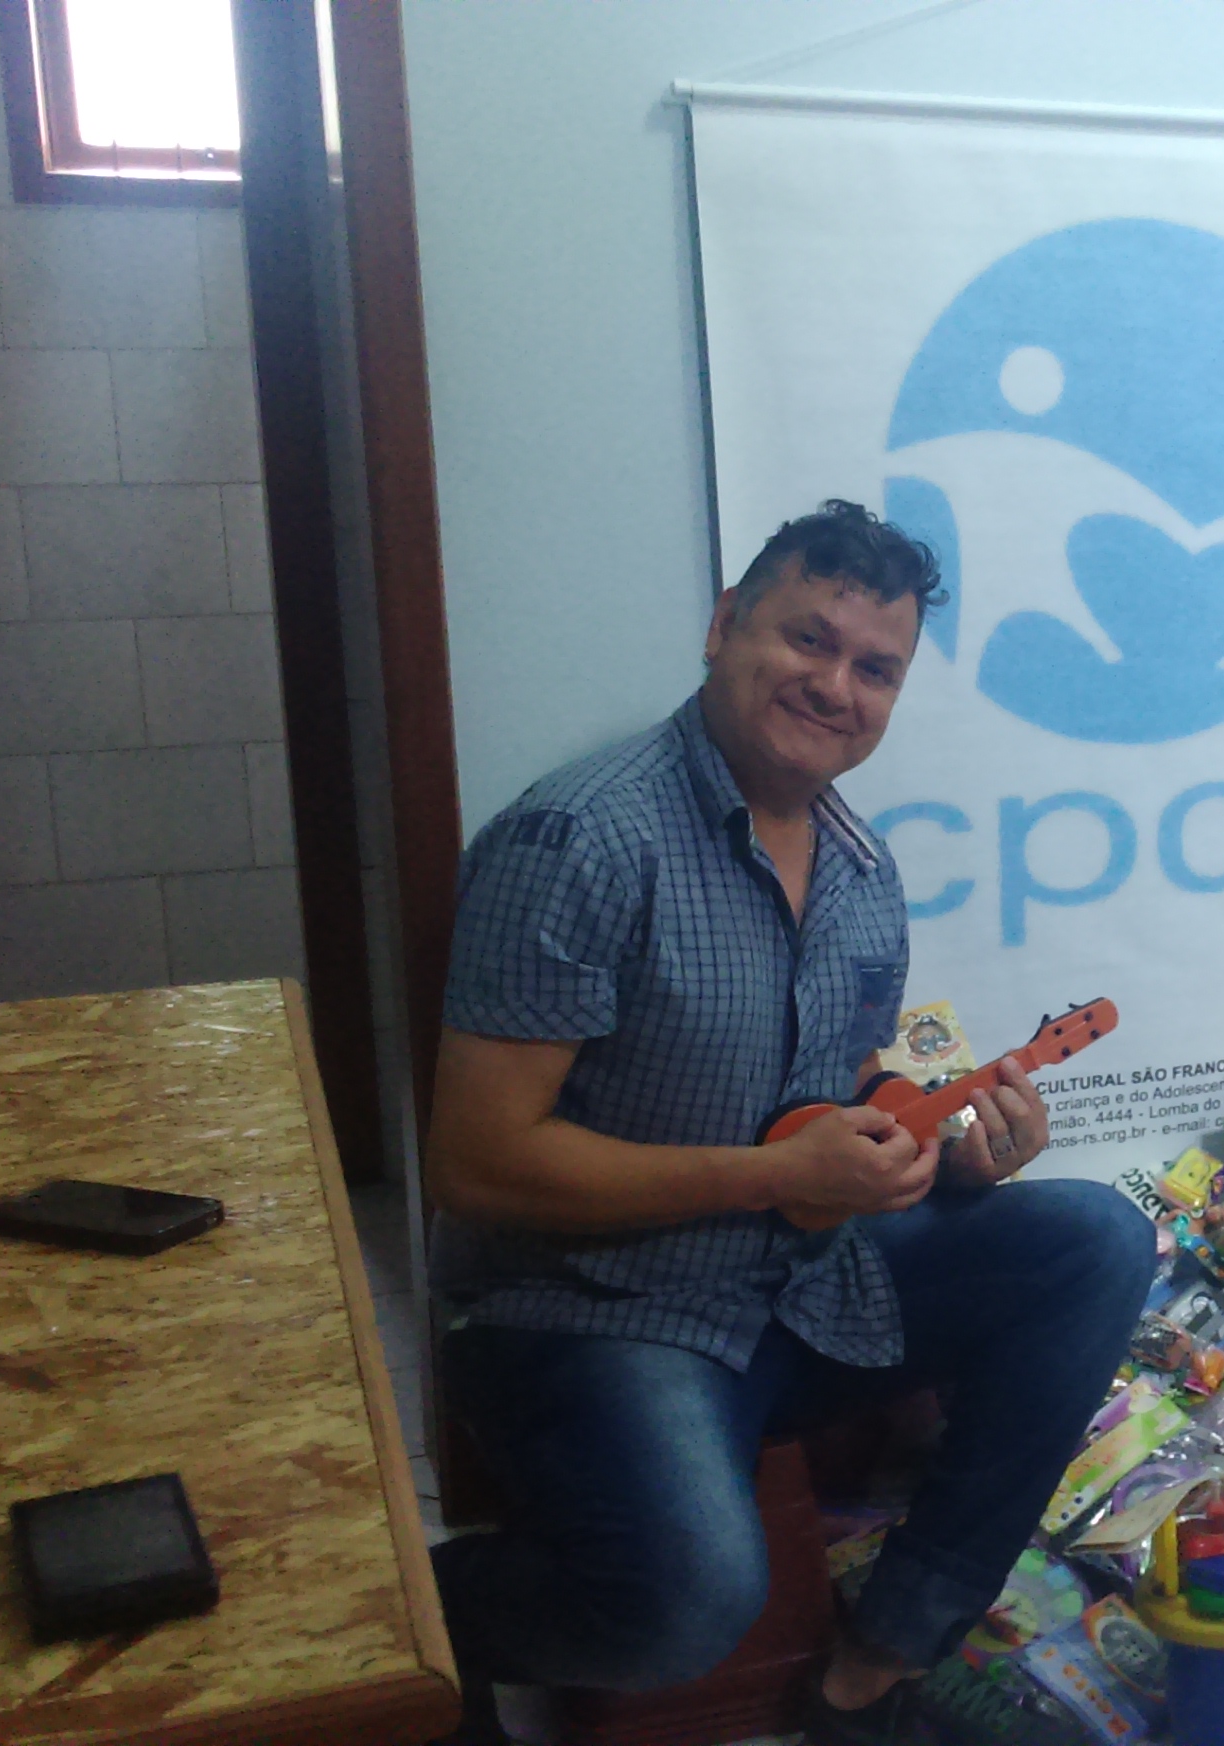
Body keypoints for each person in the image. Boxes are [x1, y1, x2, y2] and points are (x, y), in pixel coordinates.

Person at [422, 500, 1152, 1742]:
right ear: (723, 627)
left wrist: (948, 1164)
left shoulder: (864, 875)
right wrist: (771, 1179)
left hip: (802, 1285)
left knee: (1095, 1236)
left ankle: (879, 1664)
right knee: (686, 1602)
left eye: (875, 669)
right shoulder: (576, 840)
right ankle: (416, 1623)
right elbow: (475, 1165)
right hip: (593, 1311)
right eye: (807, 640)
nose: (834, 686)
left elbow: (840, 1102)